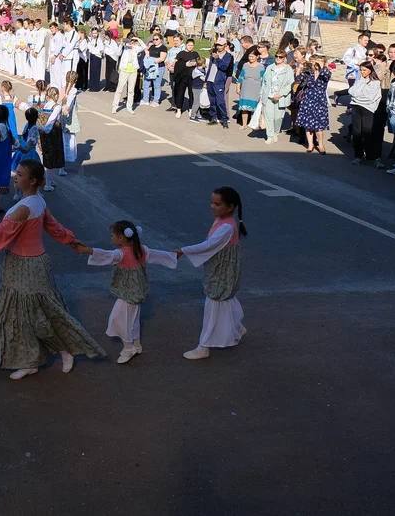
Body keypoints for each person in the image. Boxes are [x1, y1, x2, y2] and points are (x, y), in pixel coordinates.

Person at [0, 159, 105, 380]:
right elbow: (54, 226)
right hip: (22, 263)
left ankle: (63, 350)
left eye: (20, 174)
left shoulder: (26, 207)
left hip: (28, 265)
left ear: (33, 181)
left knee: (36, 312)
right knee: (23, 314)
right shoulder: (36, 201)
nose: (15, 176)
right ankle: (30, 359)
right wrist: (70, 241)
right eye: (17, 173)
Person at [84, 220, 178, 364]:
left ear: (121, 237)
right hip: (136, 292)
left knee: (120, 319)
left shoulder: (120, 253)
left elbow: (105, 255)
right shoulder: (142, 249)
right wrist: (172, 256)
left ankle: (128, 348)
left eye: (112, 235)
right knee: (132, 319)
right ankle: (136, 344)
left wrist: (88, 250)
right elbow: (159, 255)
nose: (111, 238)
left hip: (128, 294)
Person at [174, 186, 248, 361]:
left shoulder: (226, 227)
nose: (212, 206)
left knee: (213, 304)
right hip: (222, 268)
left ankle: (204, 346)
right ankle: (237, 328)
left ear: (230, 207)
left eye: (217, 204)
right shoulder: (223, 222)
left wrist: (183, 250)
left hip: (222, 271)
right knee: (227, 297)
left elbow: (208, 245)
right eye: (212, 203)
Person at [348, 61, 383, 163]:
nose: (362, 72)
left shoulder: (375, 83)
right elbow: (351, 91)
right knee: (356, 132)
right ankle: (358, 155)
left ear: (370, 70)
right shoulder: (359, 80)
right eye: (361, 70)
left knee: (367, 132)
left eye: (364, 70)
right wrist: (358, 94)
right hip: (356, 107)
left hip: (368, 109)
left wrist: (358, 95)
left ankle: (370, 155)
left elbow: (369, 97)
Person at [296, 57, 331, 153]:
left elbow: (326, 75)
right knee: (308, 125)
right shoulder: (309, 73)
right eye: (314, 62)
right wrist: (299, 69)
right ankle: (310, 144)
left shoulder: (325, 73)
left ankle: (320, 144)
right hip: (308, 100)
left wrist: (322, 65)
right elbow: (298, 80)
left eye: (318, 62)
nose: (315, 64)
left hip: (319, 101)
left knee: (318, 126)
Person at [258, 50, 294, 143]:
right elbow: (264, 82)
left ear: (284, 58)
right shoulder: (270, 67)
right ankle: (269, 135)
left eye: (280, 57)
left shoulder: (288, 69)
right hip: (268, 95)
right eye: (276, 56)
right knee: (269, 117)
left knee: (278, 118)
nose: (278, 58)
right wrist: (261, 94)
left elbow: (290, 84)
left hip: (280, 97)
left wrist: (281, 94)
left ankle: (275, 133)